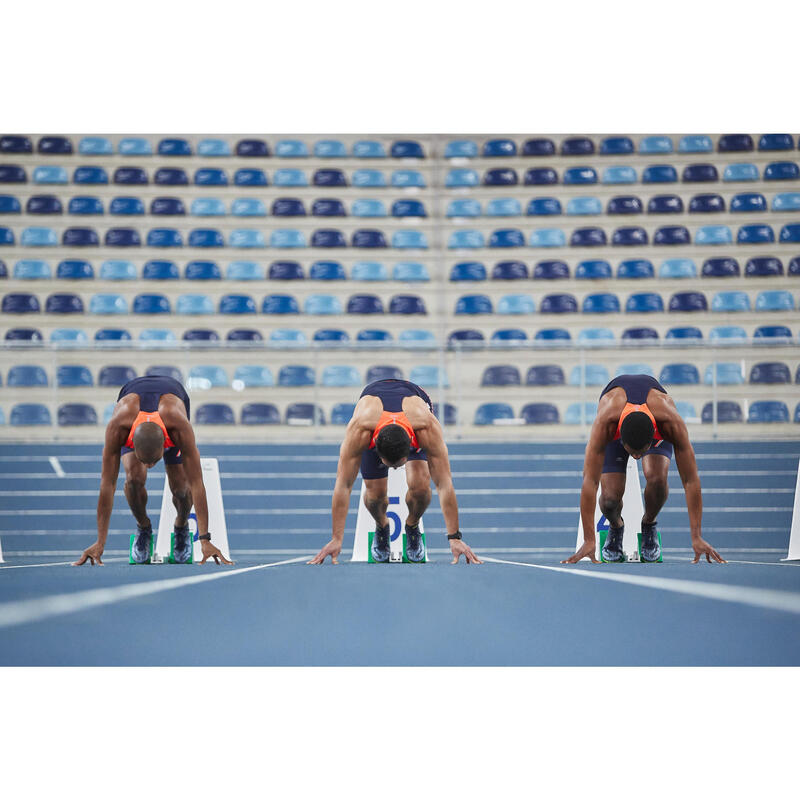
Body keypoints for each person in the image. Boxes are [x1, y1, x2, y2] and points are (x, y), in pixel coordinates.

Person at [309, 378, 481, 565]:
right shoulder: (360, 429)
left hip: (413, 411)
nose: (396, 469)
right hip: (374, 419)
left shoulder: (426, 427)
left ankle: (412, 525)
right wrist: (337, 538)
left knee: (421, 486)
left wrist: (454, 537)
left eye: (398, 465)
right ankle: (382, 525)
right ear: (375, 450)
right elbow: (343, 485)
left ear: (410, 448)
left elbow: (444, 484)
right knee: (375, 495)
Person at [563, 373, 725, 565]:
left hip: (653, 423)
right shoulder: (605, 422)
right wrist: (589, 540)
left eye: (641, 453)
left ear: (653, 439)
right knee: (609, 499)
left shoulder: (670, 422)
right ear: (622, 441)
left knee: (656, 478)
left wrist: (696, 536)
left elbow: (690, 480)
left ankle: (648, 524)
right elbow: (590, 481)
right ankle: (616, 527)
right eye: (632, 453)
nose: (636, 458)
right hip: (618, 424)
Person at [73, 375, 232, 566]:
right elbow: (107, 485)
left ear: (166, 444)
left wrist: (205, 539)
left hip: (172, 400)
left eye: (155, 461)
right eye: (145, 461)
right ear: (131, 444)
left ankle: (181, 526)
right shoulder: (118, 426)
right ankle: (144, 527)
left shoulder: (179, 426)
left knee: (181, 488)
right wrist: (100, 541)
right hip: (133, 410)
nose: (150, 466)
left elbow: (197, 482)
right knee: (133, 480)